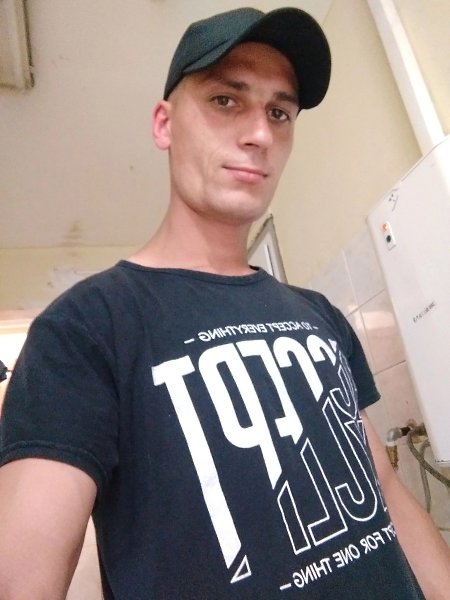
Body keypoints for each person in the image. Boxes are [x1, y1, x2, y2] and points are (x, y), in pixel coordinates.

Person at [0, 6, 449, 599]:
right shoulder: (84, 328)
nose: (260, 134)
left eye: (279, 112)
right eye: (225, 100)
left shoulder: (319, 315)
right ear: (164, 124)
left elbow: (385, 488)